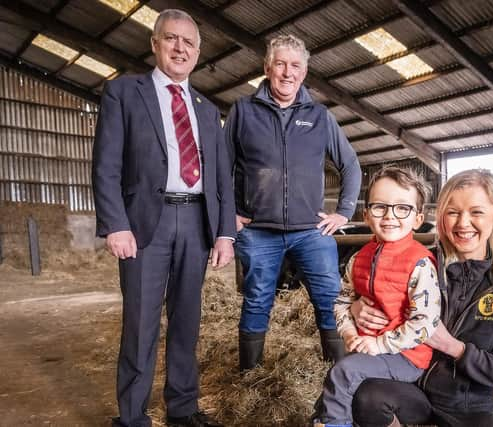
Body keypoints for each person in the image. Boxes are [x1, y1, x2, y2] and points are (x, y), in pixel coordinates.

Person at [92, 9, 235, 427]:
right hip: (143, 225)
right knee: (141, 322)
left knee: (187, 320)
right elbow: (106, 165)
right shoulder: (124, 93)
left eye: (189, 43)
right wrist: (115, 223)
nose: (180, 48)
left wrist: (225, 233)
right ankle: (133, 417)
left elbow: (221, 177)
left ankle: (183, 408)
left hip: (195, 221)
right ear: (154, 44)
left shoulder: (208, 111)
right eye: (171, 39)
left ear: (197, 53)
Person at [349, 169, 493, 427]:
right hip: (412, 386)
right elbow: (364, 287)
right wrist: (356, 306)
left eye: (476, 212)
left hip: (469, 404)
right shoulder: (419, 263)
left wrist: (453, 347)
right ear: (440, 219)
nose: (463, 223)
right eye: (453, 212)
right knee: (367, 396)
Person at [224, 34, 361, 370]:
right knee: (257, 300)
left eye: (295, 65)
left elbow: (351, 164)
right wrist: (229, 214)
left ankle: (337, 371)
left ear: (305, 71)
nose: (288, 72)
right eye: (281, 64)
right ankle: (249, 375)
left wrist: (343, 212)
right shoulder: (243, 111)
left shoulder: (319, 116)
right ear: (267, 67)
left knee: (329, 299)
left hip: (311, 231)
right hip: (258, 231)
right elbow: (219, 168)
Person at [312, 167, 441, 427]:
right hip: (370, 350)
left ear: (418, 218)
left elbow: (426, 323)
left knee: (344, 372)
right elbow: (343, 302)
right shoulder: (358, 258)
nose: (390, 216)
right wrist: (349, 333)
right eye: (380, 207)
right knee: (332, 391)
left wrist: (379, 345)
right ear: (366, 214)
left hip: (407, 356)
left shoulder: (419, 263)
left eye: (402, 208)